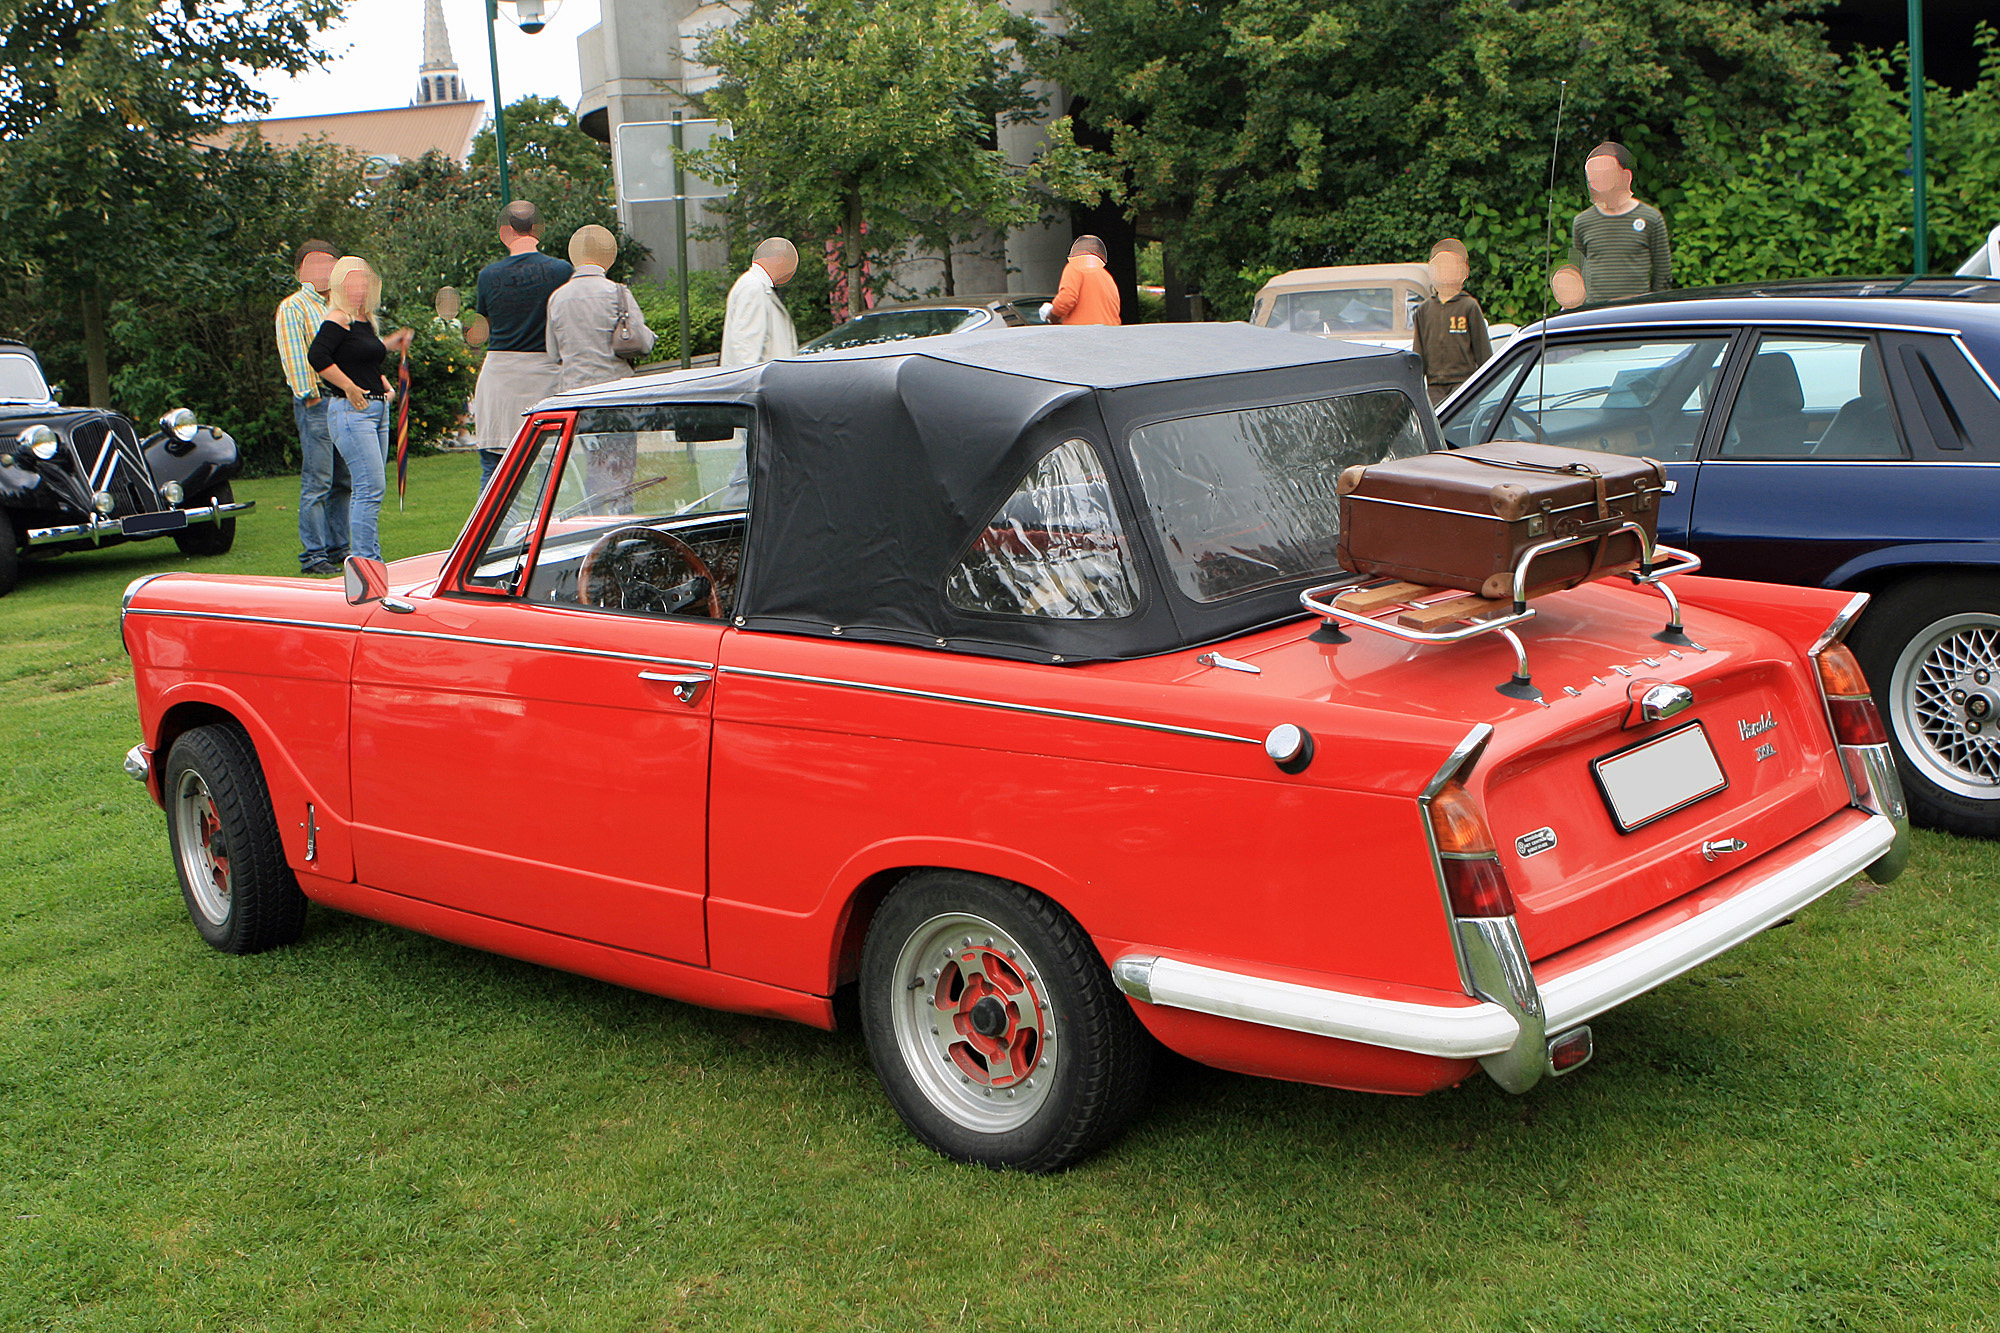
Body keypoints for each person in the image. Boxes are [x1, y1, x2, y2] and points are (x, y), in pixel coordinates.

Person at [547, 224, 657, 507]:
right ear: (607, 256)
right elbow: (642, 344)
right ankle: (619, 517)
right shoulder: (617, 293)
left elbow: (553, 352)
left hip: (574, 397)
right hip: (614, 393)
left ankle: (594, 514)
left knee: (594, 463)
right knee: (620, 466)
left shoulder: (557, 298)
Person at [308, 257, 408, 563]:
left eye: (363, 282)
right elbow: (318, 356)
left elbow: (364, 361)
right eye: (352, 282)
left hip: (377, 411)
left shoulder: (364, 321)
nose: (359, 288)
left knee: (372, 488)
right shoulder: (338, 318)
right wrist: (349, 387)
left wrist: (385, 383)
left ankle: (369, 558)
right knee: (369, 488)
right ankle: (366, 562)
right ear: (340, 286)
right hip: (352, 412)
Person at [467, 201, 571, 487]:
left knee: (494, 475)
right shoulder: (562, 271)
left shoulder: (488, 276)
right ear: (538, 230)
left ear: (505, 232)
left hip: (500, 377)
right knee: (547, 476)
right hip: (546, 375)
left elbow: (481, 327)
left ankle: (489, 533)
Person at [276, 239, 347, 575]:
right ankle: (314, 556)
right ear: (300, 271)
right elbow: (295, 358)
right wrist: (311, 395)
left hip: (346, 401)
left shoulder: (338, 306)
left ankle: (339, 549)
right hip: (317, 402)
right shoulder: (294, 307)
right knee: (318, 481)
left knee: (343, 480)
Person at [1561, 141, 1672, 305]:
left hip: (1638, 313)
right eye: (1593, 178)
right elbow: (1579, 274)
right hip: (1595, 314)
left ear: (1626, 176)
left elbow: (1663, 272)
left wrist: (1656, 307)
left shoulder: (1651, 218)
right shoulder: (1582, 222)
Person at [1410, 238, 1492, 408]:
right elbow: (1418, 352)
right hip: (1434, 385)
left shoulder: (1469, 306)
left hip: (1464, 381)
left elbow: (1483, 351)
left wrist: (1488, 383)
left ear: (1464, 272)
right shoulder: (1424, 310)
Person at [721, 238, 799, 366]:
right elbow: (745, 347)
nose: (792, 270)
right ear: (779, 259)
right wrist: (750, 383)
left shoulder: (758, 286)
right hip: (761, 382)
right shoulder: (753, 287)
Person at [1047, 235, 1121, 326]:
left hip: (1084, 334)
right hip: (1109, 334)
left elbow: (1067, 299)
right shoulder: (1106, 276)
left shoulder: (1075, 266)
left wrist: (1052, 315)